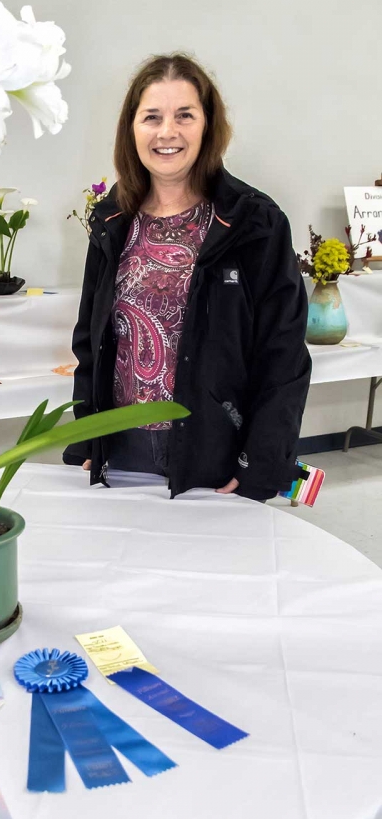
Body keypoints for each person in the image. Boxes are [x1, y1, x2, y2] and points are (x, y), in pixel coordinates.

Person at [63, 53, 311, 502]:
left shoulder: (255, 222)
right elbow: (90, 341)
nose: (167, 132)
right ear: (132, 129)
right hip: (122, 453)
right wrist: (89, 436)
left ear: (208, 125)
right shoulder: (112, 219)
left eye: (184, 116)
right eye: (151, 117)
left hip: (216, 454)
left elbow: (284, 353)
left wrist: (262, 460)